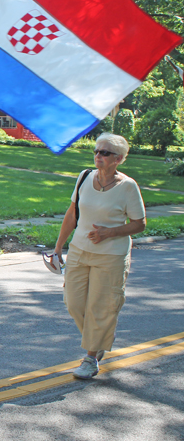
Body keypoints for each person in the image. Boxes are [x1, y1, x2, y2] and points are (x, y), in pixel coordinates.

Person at [53, 133, 146, 380]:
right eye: (96, 151)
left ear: (119, 159)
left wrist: (109, 232)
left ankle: (91, 357)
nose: (98, 156)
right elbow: (72, 214)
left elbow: (139, 224)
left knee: (101, 307)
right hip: (80, 250)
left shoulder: (127, 187)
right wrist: (58, 246)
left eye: (104, 153)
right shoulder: (84, 177)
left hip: (111, 256)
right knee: (73, 302)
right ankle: (99, 338)